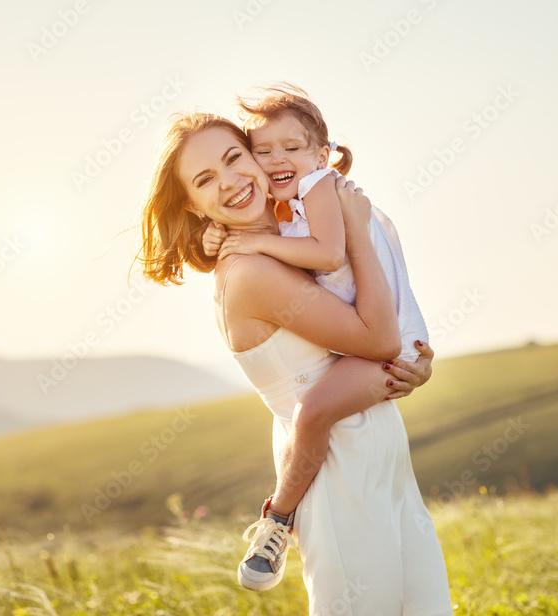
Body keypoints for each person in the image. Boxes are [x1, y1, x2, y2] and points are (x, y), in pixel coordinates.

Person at [139, 112, 453, 614]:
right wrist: (353, 228)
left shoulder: (285, 235)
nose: (231, 182)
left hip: (373, 454)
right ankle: (275, 520)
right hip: (338, 468)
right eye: (205, 180)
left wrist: (410, 367)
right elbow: (377, 338)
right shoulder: (252, 273)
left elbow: (365, 342)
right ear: (194, 206)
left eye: (234, 158)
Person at [199, 85, 430, 592]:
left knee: (313, 412)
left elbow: (325, 256)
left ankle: (278, 518)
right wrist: (216, 234)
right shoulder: (290, 211)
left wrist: (252, 237)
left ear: (322, 155)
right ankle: (278, 520)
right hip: (378, 353)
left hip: (390, 345)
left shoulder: (322, 191)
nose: (276, 160)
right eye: (264, 151)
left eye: (292, 148)